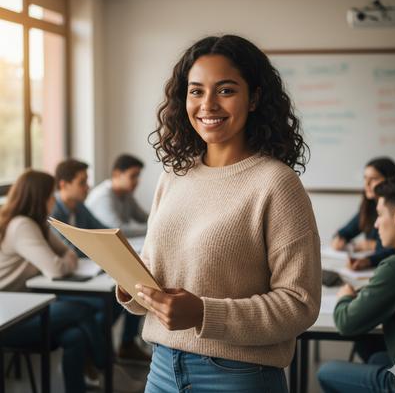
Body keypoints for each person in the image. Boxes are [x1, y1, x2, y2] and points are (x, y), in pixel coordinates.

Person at [115, 35, 321, 392]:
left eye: (225, 90)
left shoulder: (276, 184)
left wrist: (203, 314)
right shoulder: (173, 178)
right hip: (162, 366)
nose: (207, 104)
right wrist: (133, 284)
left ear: (254, 97)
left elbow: (299, 304)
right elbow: (156, 269)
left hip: (237, 375)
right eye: (196, 91)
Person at [318, 175, 395, 393]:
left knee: (326, 371)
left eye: (380, 214)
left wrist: (345, 296)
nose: (375, 223)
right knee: (376, 357)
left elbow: (346, 322)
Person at [0, 170, 99, 393]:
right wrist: (63, 260)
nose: (54, 200)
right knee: (82, 308)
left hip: (27, 306)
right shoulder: (21, 225)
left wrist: (64, 259)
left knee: (75, 336)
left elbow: (69, 252)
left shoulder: (38, 224)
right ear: (39, 197)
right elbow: (55, 269)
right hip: (10, 318)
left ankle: (80, 386)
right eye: (50, 195)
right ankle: (104, 364)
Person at [51, 158, 150, 364]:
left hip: (85, 275)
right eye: (82, 182)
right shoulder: (54, 212)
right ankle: (101, 357)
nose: (88, 186)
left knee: (131, 292)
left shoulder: (80, 208)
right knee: (108, 303)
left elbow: (104, 232)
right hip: (62, 283)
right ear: (63, 184)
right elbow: (69, 252)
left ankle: (106, 352)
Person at [331, 157, 395, 270]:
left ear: (389, 180)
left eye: (373, 179)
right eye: (365, 178)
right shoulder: (369, 206)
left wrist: (372, 246)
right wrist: (339, 238)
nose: (367, 184)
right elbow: (345, 231)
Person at [86, 154, 148, 237]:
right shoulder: (103, 196)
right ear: (116, 174)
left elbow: (145, 218)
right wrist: (151, 229)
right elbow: (117, 231)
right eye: (133, 176)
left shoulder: (127, 194)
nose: (137, 181)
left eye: (138, 176)